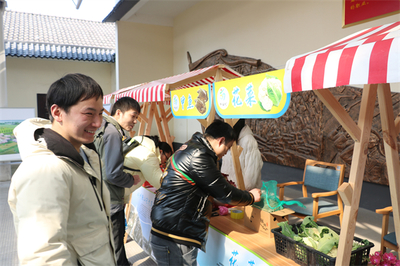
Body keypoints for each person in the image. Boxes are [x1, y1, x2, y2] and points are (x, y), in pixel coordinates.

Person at [8, 73, 117, 265]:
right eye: (89, 113)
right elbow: (43, 255)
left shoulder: (83, 156)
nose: (98, 123)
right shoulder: (45, 169)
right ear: (57, 113)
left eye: (101, 113)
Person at [150, 120, 262, 266]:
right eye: (227, 148)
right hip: (174, 236)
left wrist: (211, 201)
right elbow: (226, 194)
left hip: (170, 228)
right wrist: (251, 197)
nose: (225, 153)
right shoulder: (199, 155)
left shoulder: (191, 147)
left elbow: (192, 188)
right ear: (221, 140)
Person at [93, 96, 141, 266]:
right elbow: (112, 173)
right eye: (133, 116)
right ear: (119, 113)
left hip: (100, 196)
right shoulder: (112, 133)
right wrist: (131, 179)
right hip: (111, 199)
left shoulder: (103, 127)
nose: (135, 121)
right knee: (116, 246)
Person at [123, 135, 172, 200]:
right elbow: (159, 181)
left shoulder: (139, 145)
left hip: (115, 188)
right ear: (161, 151)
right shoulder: (148, 155)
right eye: (166, 158)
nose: (164, 162)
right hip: (115, 191)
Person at [220, 119, 263, 190]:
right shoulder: (229, 139)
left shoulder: (249, 141)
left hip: (244, 195)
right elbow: (225, 166)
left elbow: (250, 180)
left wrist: (239, 193)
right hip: (230, 191)